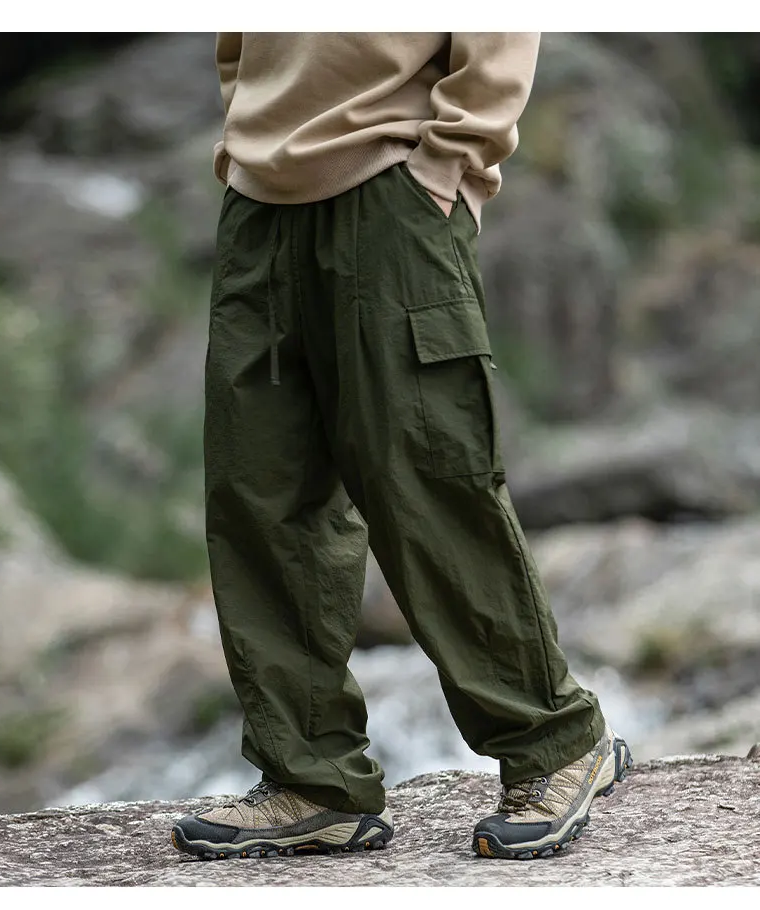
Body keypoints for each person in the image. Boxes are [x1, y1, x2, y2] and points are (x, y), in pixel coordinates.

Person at [171, 32, 631, 863]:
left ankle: (554, 744)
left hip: (393, 186)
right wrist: (246, 138)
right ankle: (311, 779)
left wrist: (447, 163)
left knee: (427, 478)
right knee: (259, 493)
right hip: (259, 203)